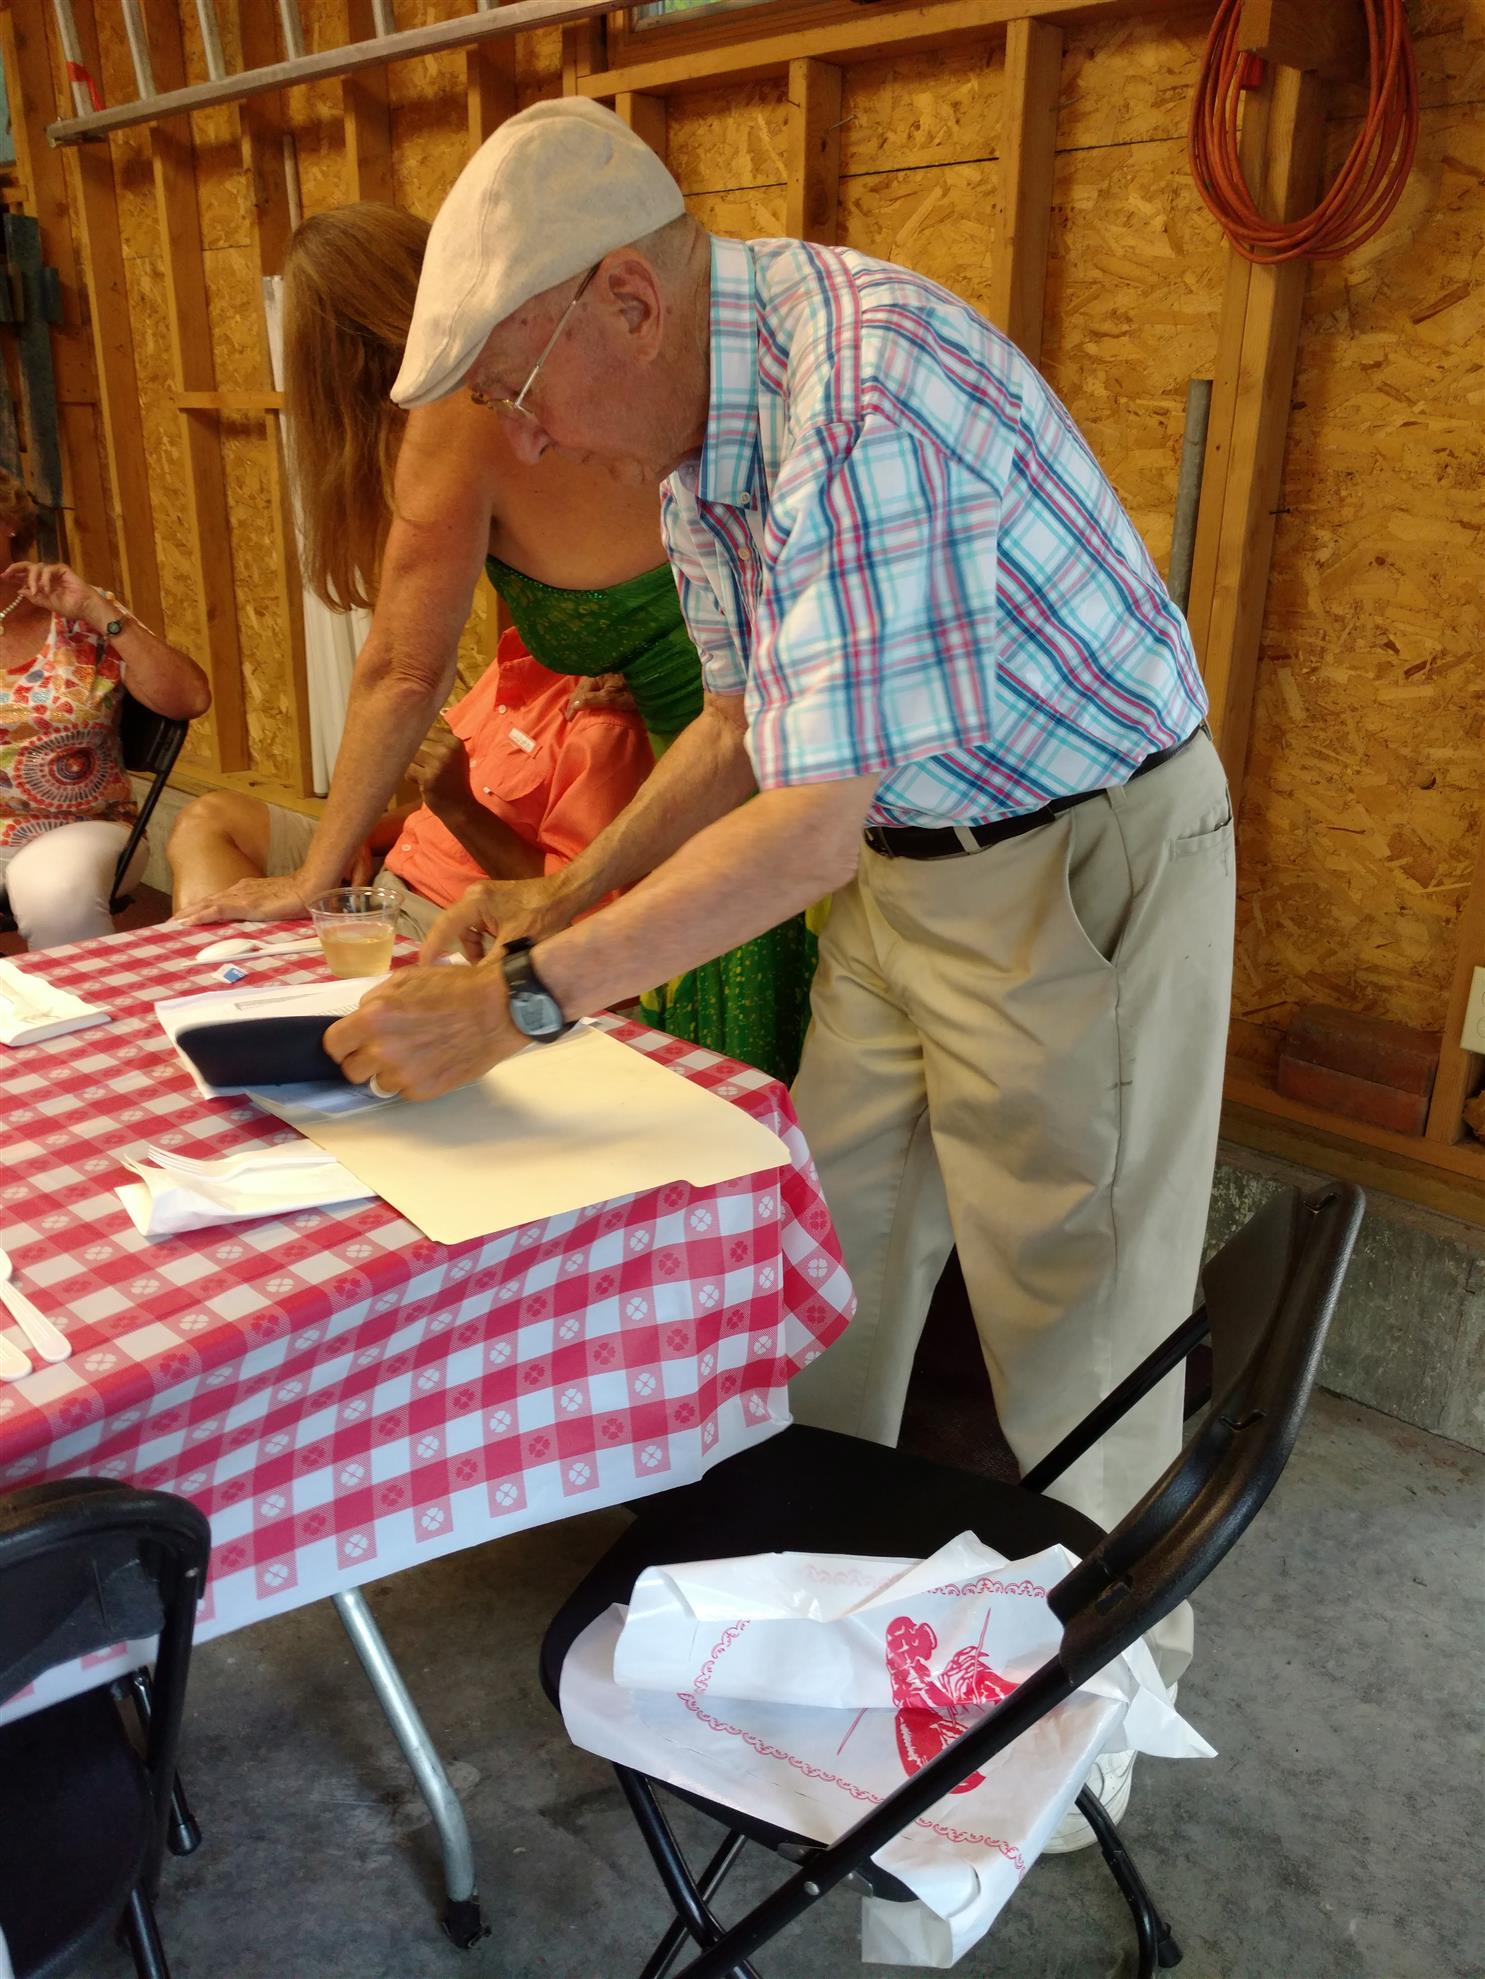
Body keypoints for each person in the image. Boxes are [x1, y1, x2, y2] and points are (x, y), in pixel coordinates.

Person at [324, 103, 1237, 1843]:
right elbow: (750, 719)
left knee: (1079, 1310)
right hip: (907, 850)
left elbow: (807, 826)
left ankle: (1100, 1715)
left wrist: (523, 1003)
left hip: (1071, 851)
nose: (529, 438)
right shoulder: (699, 436)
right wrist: (564, 889)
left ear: (627, 300)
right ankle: (807, 1613)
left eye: (524, 390)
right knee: (830, 1250)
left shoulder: (863, 398)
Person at [173, 203, 817, 1084]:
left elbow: (404, 670)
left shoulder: (460, 415)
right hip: (722, 769)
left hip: (725, 793)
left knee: (714, 1085)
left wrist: (314, 876)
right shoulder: (534, 411)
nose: (531, 434)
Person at [170, 628, 653, 935]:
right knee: (212, 818)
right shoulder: (520, 656)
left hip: (445, 921)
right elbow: (437, 805)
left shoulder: (606, 718)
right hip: (384, 877)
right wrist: (354, 837)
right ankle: (211, 983)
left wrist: (459, 808)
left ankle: (237, 991)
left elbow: (578, 907)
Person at [0, 470, 210, 950]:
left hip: (82, 827)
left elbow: (189, 699)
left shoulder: (77, 617)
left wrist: (97, 611)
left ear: (8, 522)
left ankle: (79, 999)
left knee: (54, 890)